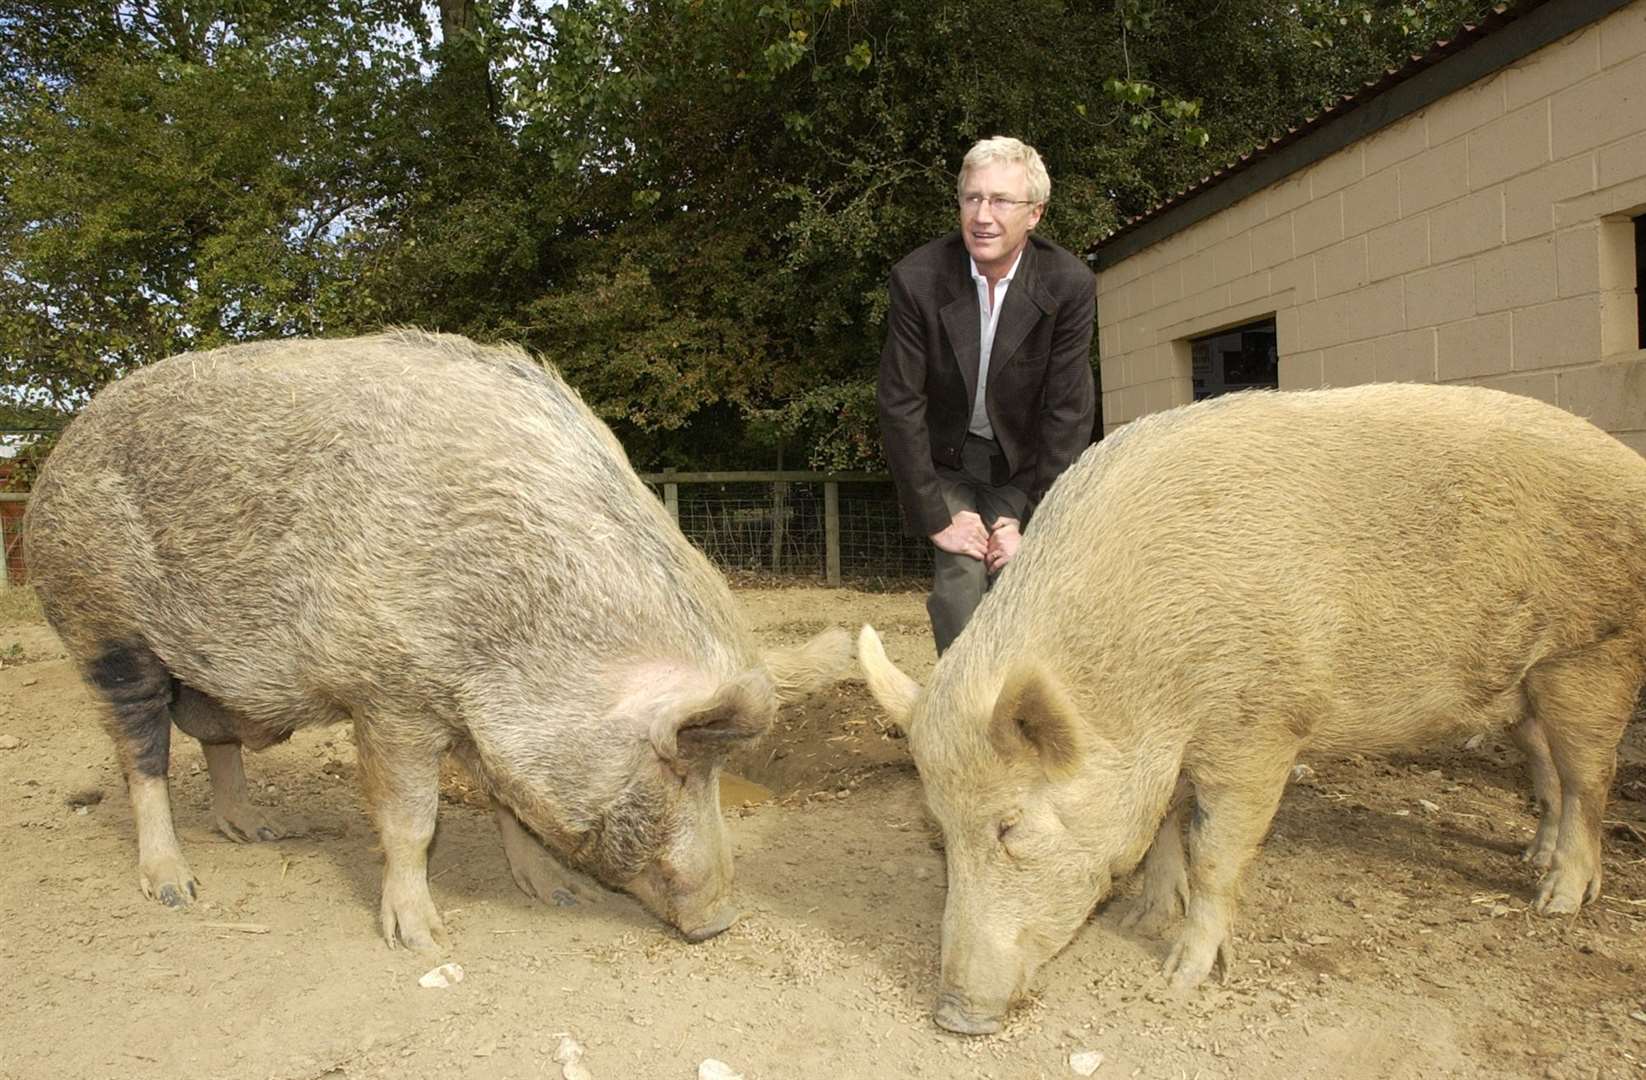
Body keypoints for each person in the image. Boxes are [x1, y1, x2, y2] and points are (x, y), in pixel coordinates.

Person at [878, 136, 1097, 654]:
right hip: (947, 462)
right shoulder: (917, 280)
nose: (983, 215)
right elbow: (900, 402)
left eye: (1001, 201)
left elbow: (1067, 412)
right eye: (972, 198)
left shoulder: (1070, 284)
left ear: (1035, 214)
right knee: (961, 583)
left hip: (1023, 466)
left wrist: (1036, 522)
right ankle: (963, 719)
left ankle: (1016, 714)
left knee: (1021, 579)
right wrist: (937, 518)